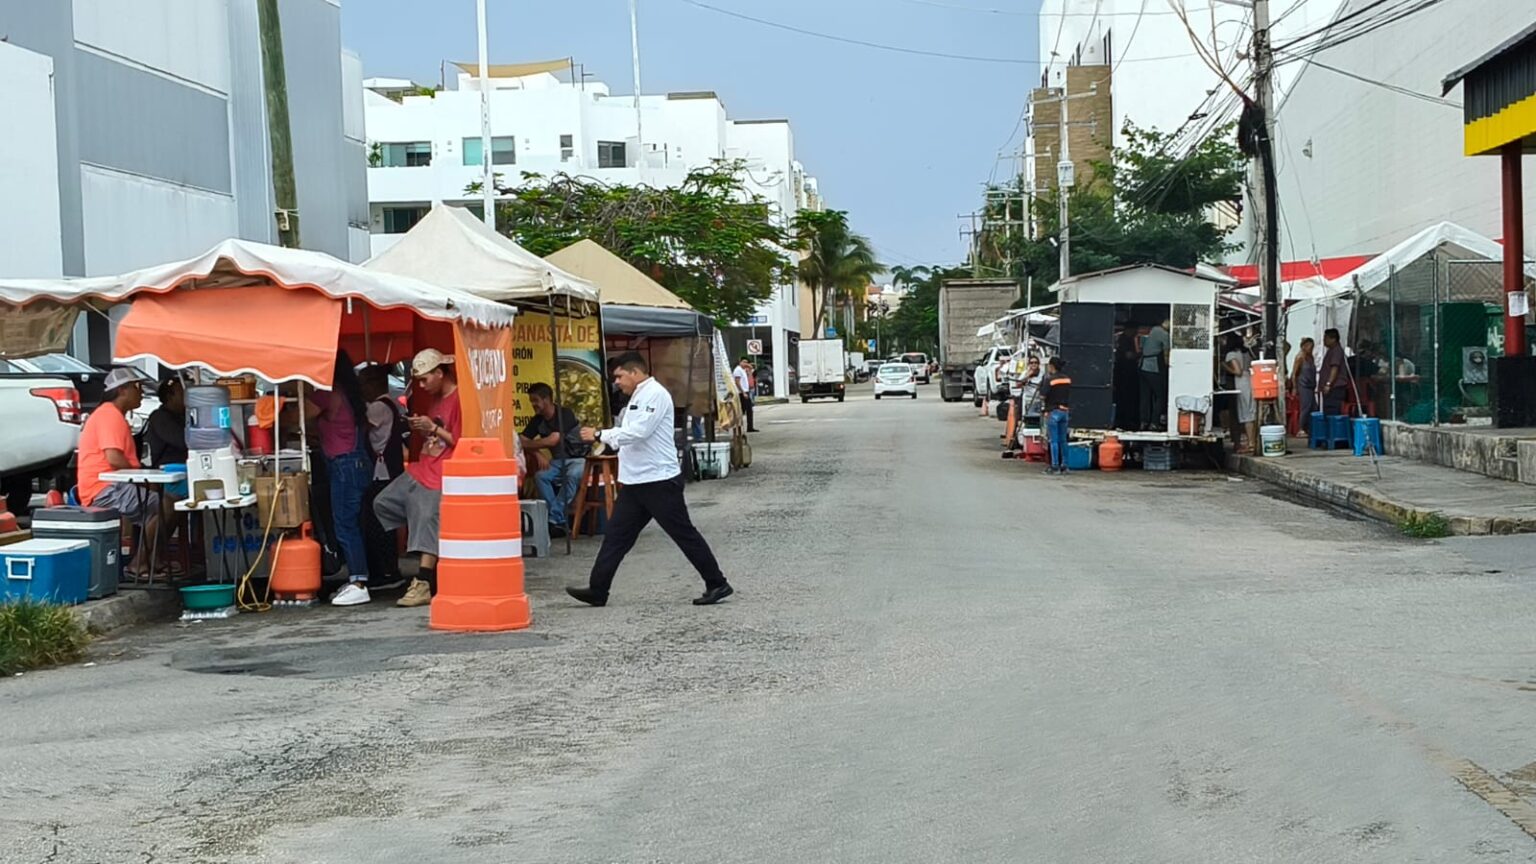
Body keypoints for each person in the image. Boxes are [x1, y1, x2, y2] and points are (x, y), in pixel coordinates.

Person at [566, 352, 733, 607]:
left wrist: (601, 434)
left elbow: (639, 432)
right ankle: (598, 589)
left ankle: (717, 582)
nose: (617, 382)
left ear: (635, 372)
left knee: (683, 534)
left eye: (620, 376)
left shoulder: (655, 394)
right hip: (636, 481)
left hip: (659, 480)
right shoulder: (637, 396)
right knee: (616, 536)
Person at [374, 348, 461, 609]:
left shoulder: (459, 400)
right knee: (381, 502)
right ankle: (428, 552)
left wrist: (432, 428)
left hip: (440, 474)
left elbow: (460, 440)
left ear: (439, 373)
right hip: (421, 467)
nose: (422, 385)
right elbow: (439, 437)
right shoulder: (436, 399)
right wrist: (425, 429)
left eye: (425, 379)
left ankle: (422, 581)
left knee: (426, 517)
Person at [77, 367, 161, 577]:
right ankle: (140, 562)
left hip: (110, 485)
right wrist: (142, 477)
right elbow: (114, 458)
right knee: (163, 506)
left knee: (160, 500)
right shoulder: (109, 415)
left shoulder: (110, 414)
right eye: (137, 387)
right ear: (122, 390)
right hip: (105, 489)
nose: (141, 392)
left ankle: (152, 559)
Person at [306, 351, 374, 606]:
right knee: (352, 523)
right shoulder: (349, 393)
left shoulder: (328, 392)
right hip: (356, 462)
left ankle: (358, 581)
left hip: (344, 465)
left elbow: (299, 416)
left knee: (345, 525)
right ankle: (358, 577)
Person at [520, 382, 589, 539]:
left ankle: (553, 518)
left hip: (578, 459)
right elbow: (521, 441)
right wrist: (537, 452)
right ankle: (558, 521)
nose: (533, 405)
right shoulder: (537, 420)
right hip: (558, 462)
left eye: (535, 400)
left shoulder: (564, 414)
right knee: (541, 476)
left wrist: (531, 444)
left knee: (572, 475)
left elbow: (553, 440)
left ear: (547, 399)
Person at [359, 364, 407, 592]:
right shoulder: (393, 404)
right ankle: (389, 568)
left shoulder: (378, 407)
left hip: (381, 470)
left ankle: (385, 570)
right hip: (388, 469)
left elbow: (361, 429)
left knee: (378, 520)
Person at [1225, 334, 1258, 454]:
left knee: (1246, 415)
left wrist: (1225, 367)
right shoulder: (1247, 353)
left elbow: (1238, 371)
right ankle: (1253, 441)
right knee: (1252, 412)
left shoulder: (1231, 354)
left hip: (1241, 383)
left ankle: (1250, 444)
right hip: (1251, 380)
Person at [145, 378, 188, 469]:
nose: (186, 397)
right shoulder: (160, 418)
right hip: (167, 471)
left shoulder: (183, 415)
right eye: (182, 393)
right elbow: (183, 440)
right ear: (169, 397)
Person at [1041, 357, 1072, 475]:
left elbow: (1042, 396)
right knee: (1063, 440)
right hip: (1065, 411)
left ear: (1052, 366)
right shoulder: (1067, 379)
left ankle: (1054, 466)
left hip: (1053, 411)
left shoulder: (1050, 380)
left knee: (1053, 440)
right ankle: (1065, 465)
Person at [1139, 319, 1171, 431]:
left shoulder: (1154, 329)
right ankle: (1154, 422)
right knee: (1160, 396)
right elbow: (1167, 353)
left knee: (1145, 396)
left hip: (1142, 366)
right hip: (1153, 368)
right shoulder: (1164, 334)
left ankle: (1143, 422)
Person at [1320, 327, 1349, 416]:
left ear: (1333, 339)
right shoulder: (1331, 351)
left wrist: (1329, 384)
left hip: (1335, 388)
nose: (1324, 341)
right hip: (1331, 388)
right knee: (1328, 411)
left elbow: (1335, 368)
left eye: (1326, 338)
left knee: (1332, 411)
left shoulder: (1336, 351)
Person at [1291, 337, 1318, 429]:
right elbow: (1294, 374)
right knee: (1305, 407)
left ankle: (1311, 427)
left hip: (1311, 386)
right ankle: (1301, 427)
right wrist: (1294, 387)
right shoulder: (1300, 358)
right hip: (1303, 385)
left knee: (1314, 407)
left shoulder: (1311, 357)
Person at [733, 357, 757, 432]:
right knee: (744, 410)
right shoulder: (738, 370)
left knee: (749, 410)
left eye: (746, 362)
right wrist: (743, 392)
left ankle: (750, 427)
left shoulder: (743, 370)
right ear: (740, 362)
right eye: (743, 362)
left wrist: (750, 368)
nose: (745, 364)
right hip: (741, 393)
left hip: (746, 391)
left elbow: (752, 372)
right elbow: (737, 382)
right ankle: (739, 427)